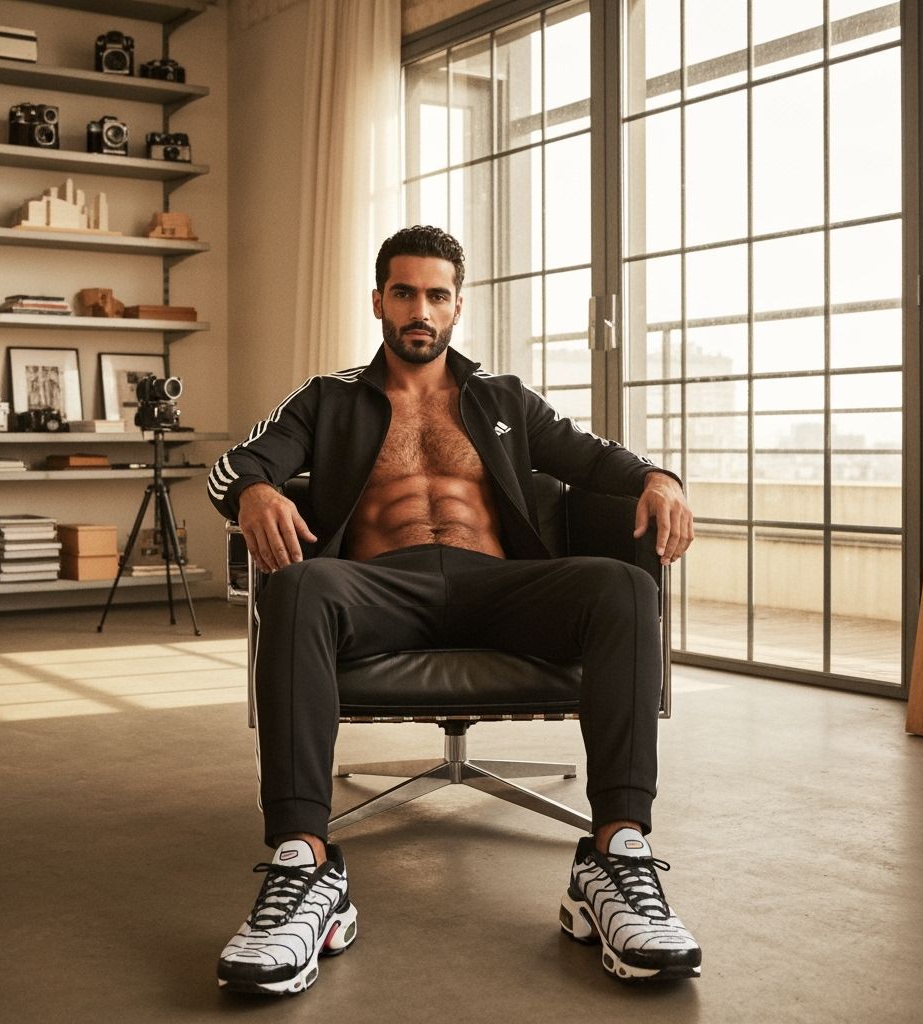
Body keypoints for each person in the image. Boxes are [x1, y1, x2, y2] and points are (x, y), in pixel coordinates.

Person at [207, 225, 701, 995]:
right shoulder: (328, 398)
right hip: (381, 589)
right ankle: (304, 867)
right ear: (378, 301)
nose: (420, 309)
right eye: (404, 292)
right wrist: (255, 491)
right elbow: (233, 466)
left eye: (437, 294)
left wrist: (659, 477)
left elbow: (593, 454)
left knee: (623, 586)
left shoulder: (501, 397)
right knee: (300, 586)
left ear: (457, 306)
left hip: (494, 587)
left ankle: (615, 857)